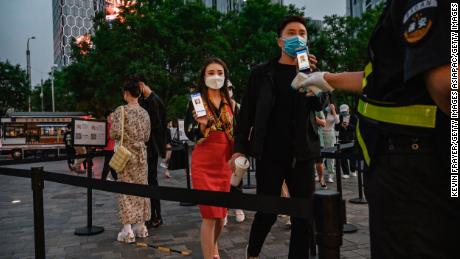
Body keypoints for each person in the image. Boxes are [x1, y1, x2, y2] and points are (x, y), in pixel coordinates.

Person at [297, 1, 457, 258]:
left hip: (413, 169)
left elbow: (448, 86)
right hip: (411, 163)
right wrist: (328, 78)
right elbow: (384, 79)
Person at [230, 16, 326, 258]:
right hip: (270, 153)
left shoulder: (311, 71)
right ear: (280, 41)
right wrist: (240, 148)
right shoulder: (262, 74)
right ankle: (252, 253)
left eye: (302, 33)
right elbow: (247, 114)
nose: (297, 37)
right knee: (268, 211)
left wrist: (310, 76)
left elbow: (320, 103)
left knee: (303, 214)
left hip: (302, 154)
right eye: (291, 32)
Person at [184, 58, 236, 259]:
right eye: (211, 72)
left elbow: (236, 130)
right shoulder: (197, 100)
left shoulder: (229, 101)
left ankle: (213, 248)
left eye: (220, 72)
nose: (216, 76)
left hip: (225, 161)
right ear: (204, 77)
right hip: (204, 159)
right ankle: (209, 256)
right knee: (209, 215)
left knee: (221, 216)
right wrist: (202, 126)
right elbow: (190, 132)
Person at [110, 80, 151, 243]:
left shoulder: (121, 111)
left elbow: (114, 133)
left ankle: (127, 231)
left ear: (126, 93)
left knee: (125, 191)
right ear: (139, 94)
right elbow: (147, 136)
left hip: (126, 155)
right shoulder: (145, 113)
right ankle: (141, 227)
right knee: (141, 189)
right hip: (141, 156)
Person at [137, 76, 167, 229]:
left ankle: (156, 216)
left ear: (142, 85)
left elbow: (156, 126)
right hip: (152, 146)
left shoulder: (153, 101)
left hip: (152, 147)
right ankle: (152, 215)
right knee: (150, 180)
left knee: (152, 180)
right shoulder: (150, 100)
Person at [227, 80, 245, 223]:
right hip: (220, 148)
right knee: (222, 181)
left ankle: (239, 207)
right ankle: (224, 210)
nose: (228, 91)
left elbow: (243, 128)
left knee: (237, 178)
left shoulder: (237, 107)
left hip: (235, 146)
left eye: (230, 88)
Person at [335, 104, 357, 178]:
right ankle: (345, 172)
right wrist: (341, 125)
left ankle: (353, 170)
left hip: (351, 140)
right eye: (342, 112)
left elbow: (356, 127)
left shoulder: (353, 117)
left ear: (348, 110)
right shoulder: (340, 117)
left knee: (352, 156)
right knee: (343, 157)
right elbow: (336, 128)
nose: (344, 113)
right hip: (342, 140)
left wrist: (348, 125)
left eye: (345, 111)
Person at [322, 99, 340, 183]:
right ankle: (319, 174)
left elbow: (337, 121)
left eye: (331, 105)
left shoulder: (335, 114)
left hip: (330, 134)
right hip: (322, 134)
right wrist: (325, 110)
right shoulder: (323, 111)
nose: (329, 106)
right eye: (328, 105)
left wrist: (333, 110)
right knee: (321, 155)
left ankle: (330, 175)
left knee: (330, 155)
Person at [101, 110, 118, 181]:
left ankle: (115, 178)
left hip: (109, 147)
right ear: (108, 117)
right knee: (108, 165)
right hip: (109, 148)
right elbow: (112, 136)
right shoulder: (109, 125)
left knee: (111, 164)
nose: (113, 117)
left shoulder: (106, 125)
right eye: (112, 115)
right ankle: (103, 179)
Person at [315, 111, 327, 188]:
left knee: (319, 162)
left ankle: (321, 178)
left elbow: (324, 123)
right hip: (303, 140)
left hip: (317, 140)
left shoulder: (318, 109)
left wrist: (314, 118)